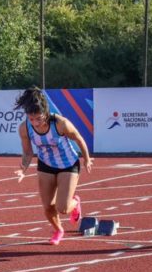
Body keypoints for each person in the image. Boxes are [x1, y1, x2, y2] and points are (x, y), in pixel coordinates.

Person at [13, 87, 93, 245]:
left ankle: (75, 203)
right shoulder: (25, 128)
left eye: (38, 118)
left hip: (68, 165)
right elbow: (28, 153)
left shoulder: (60, 124)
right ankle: (58, 229)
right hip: (46, 165)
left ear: (46, 113)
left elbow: (78, 138)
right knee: (48, 207)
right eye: (31, 119)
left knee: (62, 208)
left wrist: (87, 159)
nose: (35, 122)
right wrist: (23, 169)